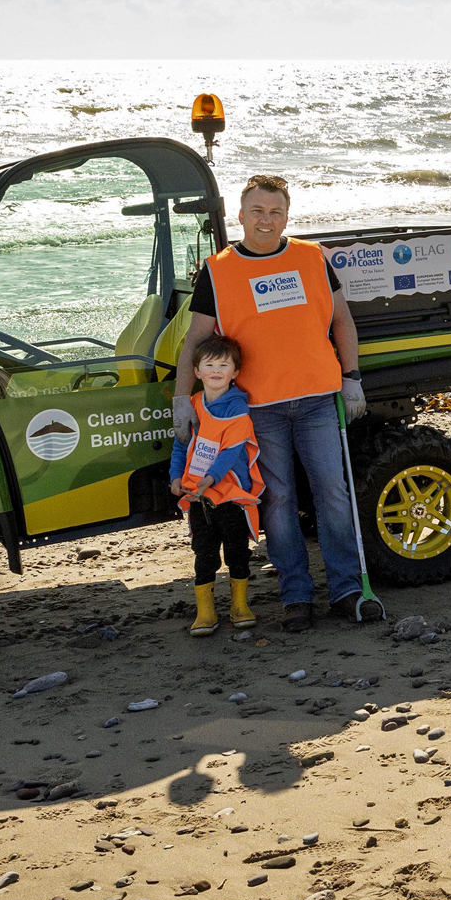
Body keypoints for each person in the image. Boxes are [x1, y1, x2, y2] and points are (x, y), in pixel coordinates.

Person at [173, 174, 368, 632]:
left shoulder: (312, 258)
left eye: (276, 212)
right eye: (258, 212)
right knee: (277, 498)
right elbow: (195, 341)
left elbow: (343, 321)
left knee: (333, 494)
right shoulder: (217, 271)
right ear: (240, 216)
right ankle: (296, 596)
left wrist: (351, 377)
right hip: (258, 408)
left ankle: (346, 589)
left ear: (287, 216)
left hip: (320, 399)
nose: (267, 220)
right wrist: (183, 398)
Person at [169, 334, 263, 637]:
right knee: (204, 552)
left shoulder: (238, 410)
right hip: (198, 497)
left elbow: (228, 455)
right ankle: (205, 612)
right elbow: (181, 446)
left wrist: (208, 481)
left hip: (229, 494)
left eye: (224, 365)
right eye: (209, 364)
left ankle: (239, 606)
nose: (216, 370)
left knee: (237, 551)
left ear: (235, 372)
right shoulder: (193, 406)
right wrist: (175, 478)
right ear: (197, 371)